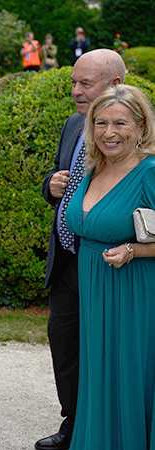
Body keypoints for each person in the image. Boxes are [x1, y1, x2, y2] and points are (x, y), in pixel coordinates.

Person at [39, 49, 126, 450]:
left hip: (111, 264)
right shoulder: (74, 123)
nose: (75, 91)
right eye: (73, 82)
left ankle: (110, 427)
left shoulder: (133, 130)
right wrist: (51, 187)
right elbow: (62, 180)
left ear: (115, 85)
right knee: (65, 343)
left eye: (85, 84)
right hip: (67, 262)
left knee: (108, 348)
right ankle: (74, 425)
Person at [65, 84, 155, 449]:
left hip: (135, 291)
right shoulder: (94, 167)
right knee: (100, 376)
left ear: (140, 127)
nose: (109, 132)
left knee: (131, 375)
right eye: (100, 123)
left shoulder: (149, 172)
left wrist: (134, 250)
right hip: (93, 288)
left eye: (120, 123)